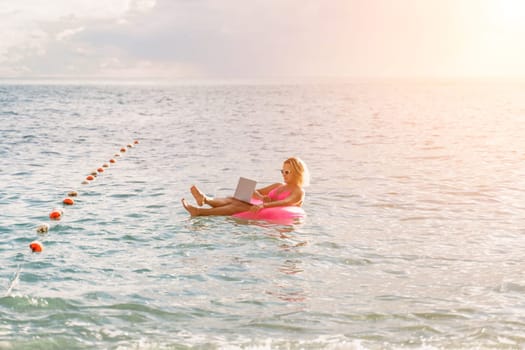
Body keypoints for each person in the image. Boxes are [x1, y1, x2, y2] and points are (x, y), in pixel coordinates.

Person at [181, 157, 309, 217]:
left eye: (287, 172)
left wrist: (263, 205)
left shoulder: (298, 191)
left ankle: (200, 212)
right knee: (234, 199)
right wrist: (260, 196)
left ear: (297, 173)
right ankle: (205, 199)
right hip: (263, 207)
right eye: (282, 171)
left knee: (238, 205)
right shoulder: (278, 185)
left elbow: (285, 202)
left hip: (270, 212)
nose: (284, 175)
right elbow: (253, 191)